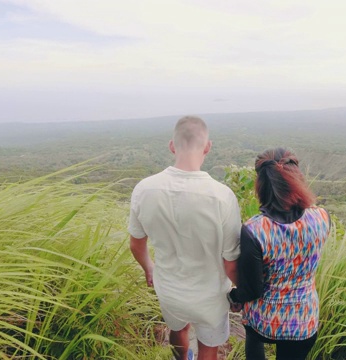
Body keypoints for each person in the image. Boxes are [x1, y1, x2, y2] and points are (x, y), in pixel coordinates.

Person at [128, 116, 241, 360]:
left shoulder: (144, 189)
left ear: (172, 145)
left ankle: (182, 358)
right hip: (210, 296)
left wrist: (149, 267)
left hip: (169, 288)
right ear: (208, 146)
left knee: (177, 328)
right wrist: (241, 291)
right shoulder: (222, 197)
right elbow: (231, 261)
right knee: (208, 346)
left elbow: (136, 243)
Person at [227, 148, 330, 360]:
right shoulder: (321, 217)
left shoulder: (255, 230)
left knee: (253, 336)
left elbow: (253, 290)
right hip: (303, 319)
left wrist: (234, 297)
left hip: (264, 321)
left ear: (262, 185)